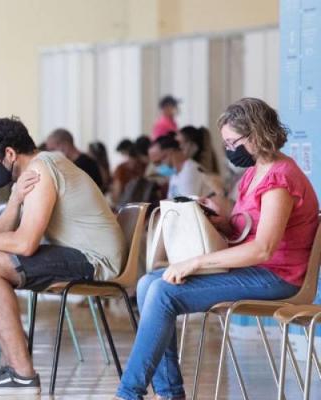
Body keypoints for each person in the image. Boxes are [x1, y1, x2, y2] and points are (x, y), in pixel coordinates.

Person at [114, 98, 319, 399]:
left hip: (279, 277)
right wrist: (222, 220)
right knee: (147, 284)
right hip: (256, 271)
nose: (229, 150)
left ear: (256, 134)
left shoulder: (279, 179)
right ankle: (169, 393)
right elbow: (248, 230)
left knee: (163, 291)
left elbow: (262, 249)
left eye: (233, 142)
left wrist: (196, 262)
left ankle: (128, 393)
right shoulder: (255, 173)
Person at [0, 117, 125, 395]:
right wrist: (15, 200)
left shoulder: (43, 169)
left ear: (9, 154)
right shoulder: (30, 173)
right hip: (77, 253)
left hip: (95, 259)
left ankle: (23, 375)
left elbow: (26, 244)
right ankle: (13, 365)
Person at [149, 133, 208, 198]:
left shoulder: (191, 170)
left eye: (158, 162)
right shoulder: (175, 173)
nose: (158, 167)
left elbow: (187, 205)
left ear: (170, 153)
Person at [111, 139, 146, 204]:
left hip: (128, 204)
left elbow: (117, 191)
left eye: (123, 153)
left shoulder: (121, 168)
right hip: (141, 203)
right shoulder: (144, 165)